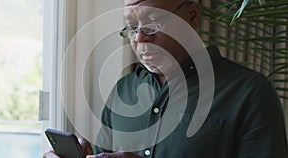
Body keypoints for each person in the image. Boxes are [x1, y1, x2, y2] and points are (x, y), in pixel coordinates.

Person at [44, 0, 288, 158]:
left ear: (192, 16)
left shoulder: (249, 93)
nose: (139, 38)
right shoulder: (123, 90)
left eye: (151, 23)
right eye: (131, 26)